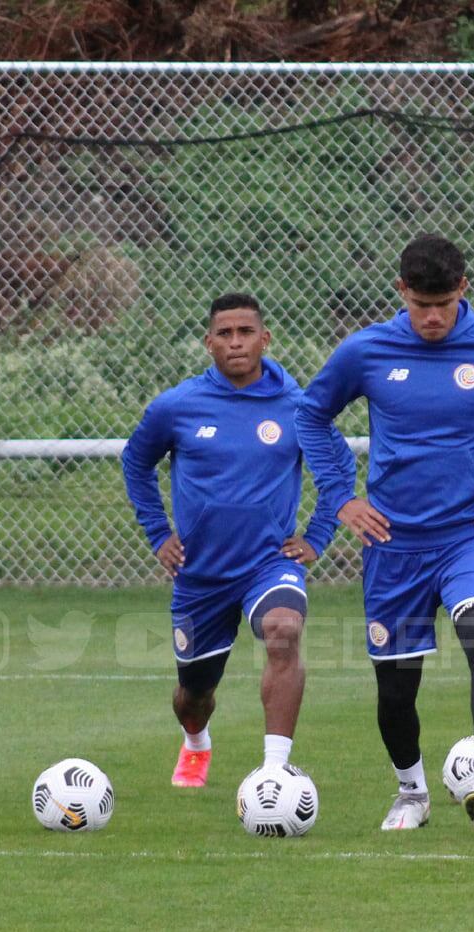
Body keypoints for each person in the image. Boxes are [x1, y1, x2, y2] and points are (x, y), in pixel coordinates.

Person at [294, 234, 474, 838]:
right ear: (401, 291)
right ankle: (412, 792)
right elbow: (310, 416)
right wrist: (342, 498)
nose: (433, 317)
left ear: (463, 290)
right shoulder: (365, 350)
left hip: (471, 536)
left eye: (443, 304)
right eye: (421, 304)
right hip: (392, 542)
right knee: (396, 689)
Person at [121, 293, 353, 787]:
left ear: (264, 339)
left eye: (245, 332)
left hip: (268, 564)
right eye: (224, 334)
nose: (235, 342)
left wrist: (318, 535)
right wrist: (158, 533)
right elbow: (135, 462)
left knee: (284, 630)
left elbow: (340, 466)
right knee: (193, 696)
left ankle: (274, 773)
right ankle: (196, 743)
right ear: (208, 343)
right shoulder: (177, 406)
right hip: (200, 574)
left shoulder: (299, 408)